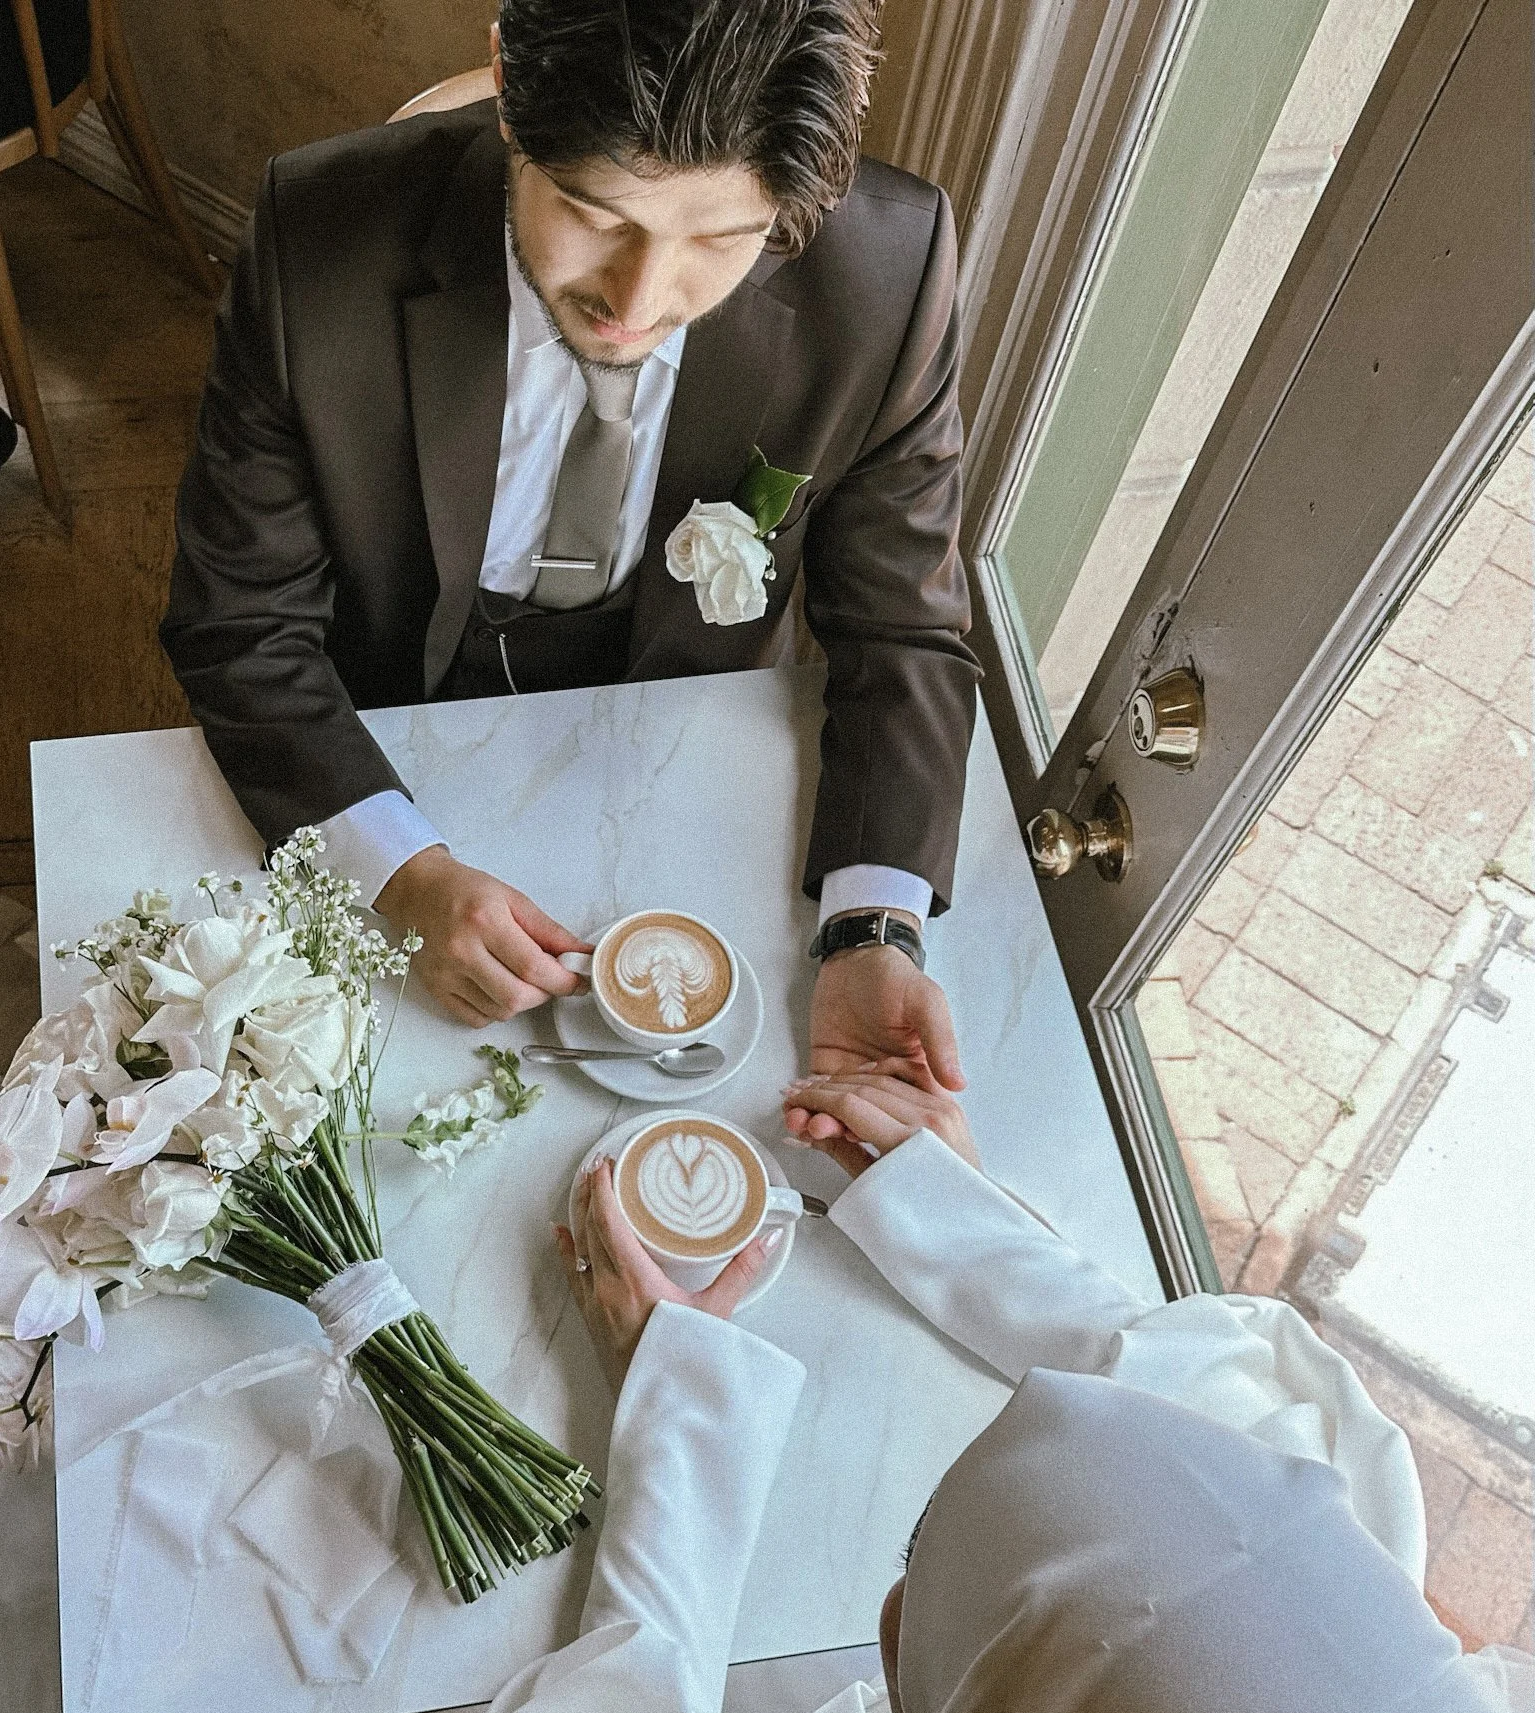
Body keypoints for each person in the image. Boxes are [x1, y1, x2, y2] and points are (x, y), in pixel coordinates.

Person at [431, 1070, 1535, 1713]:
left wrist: (682, 1405)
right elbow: (1229, 1413)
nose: (899, 1594)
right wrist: (945, 1211)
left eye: (918, 1562)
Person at [160, 0, 978, 1117]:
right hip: (373, 728)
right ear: (504, 80)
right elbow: (237, 621)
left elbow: (904, 627)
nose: (640, 302)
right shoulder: (315, 240)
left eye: (718, 239)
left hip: (677, 763)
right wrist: (401, 870)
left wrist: (872, 929)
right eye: (594, 212)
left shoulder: (891, 272)